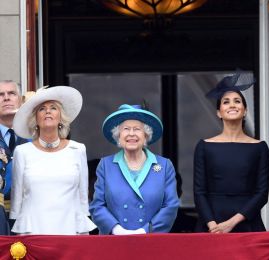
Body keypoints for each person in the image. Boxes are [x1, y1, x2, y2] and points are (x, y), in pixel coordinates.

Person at [10, 86, 96, 235]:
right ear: (35, 119)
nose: (48, 111)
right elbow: (16, 201)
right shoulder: (22, 152)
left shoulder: (78, 149)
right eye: (42, 109)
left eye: (53, 108)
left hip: (70, 229)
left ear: (61, 117)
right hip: (33, 231)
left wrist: (83, 232)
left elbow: (83, 199)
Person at [193, 72, 269, 233]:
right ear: (219, 112)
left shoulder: (259, 147)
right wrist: (212, 225)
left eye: (237, 101)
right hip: (211, 226)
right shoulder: (204, 146)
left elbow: (262, 193)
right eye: (226, 102)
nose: (232, 105)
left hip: (247, 223)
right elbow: (199, 192)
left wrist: (232, 222)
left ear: (245, 110)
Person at [90, 104, 180, 234]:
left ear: (146, 135)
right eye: (126, 129)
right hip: (114, 242)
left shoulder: (164, 166)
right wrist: (116, 230)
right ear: (118, 135)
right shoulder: (106, 165)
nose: (131, 134)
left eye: (137, 129)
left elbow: (170, 206)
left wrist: (145, 231)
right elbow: (97, 206)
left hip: (151, 241)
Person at [0, 80, 28, 235]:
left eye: (11, 93)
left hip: (28, 221)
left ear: (21, 100)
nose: (6, 98)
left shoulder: (35, 138)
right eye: (1, 94)